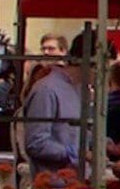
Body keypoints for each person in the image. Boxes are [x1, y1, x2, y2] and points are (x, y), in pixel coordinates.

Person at [24, 39, 99, 171]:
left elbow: (79, 134)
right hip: (54, 183)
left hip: (78, 179)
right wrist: (75, 153)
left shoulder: (80, 90)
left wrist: (108, 145)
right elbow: (36, 143)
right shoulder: (46, 90)